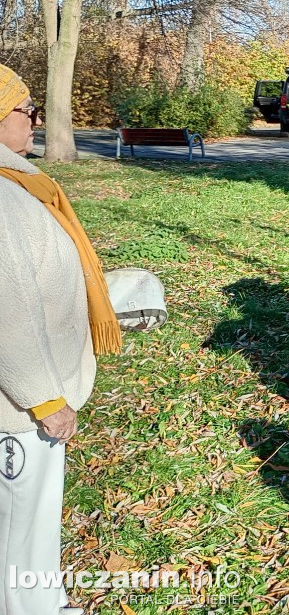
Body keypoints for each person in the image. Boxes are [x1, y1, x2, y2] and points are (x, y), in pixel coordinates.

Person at [0, 63, 120, 615]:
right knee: (20, 523)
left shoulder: (19, 184)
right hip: (20, 409)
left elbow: (41, 278)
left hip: (29, 398)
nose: (35, 121)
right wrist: (42, 396)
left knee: (31, 519)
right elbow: (7, 308)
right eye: (27, 111)